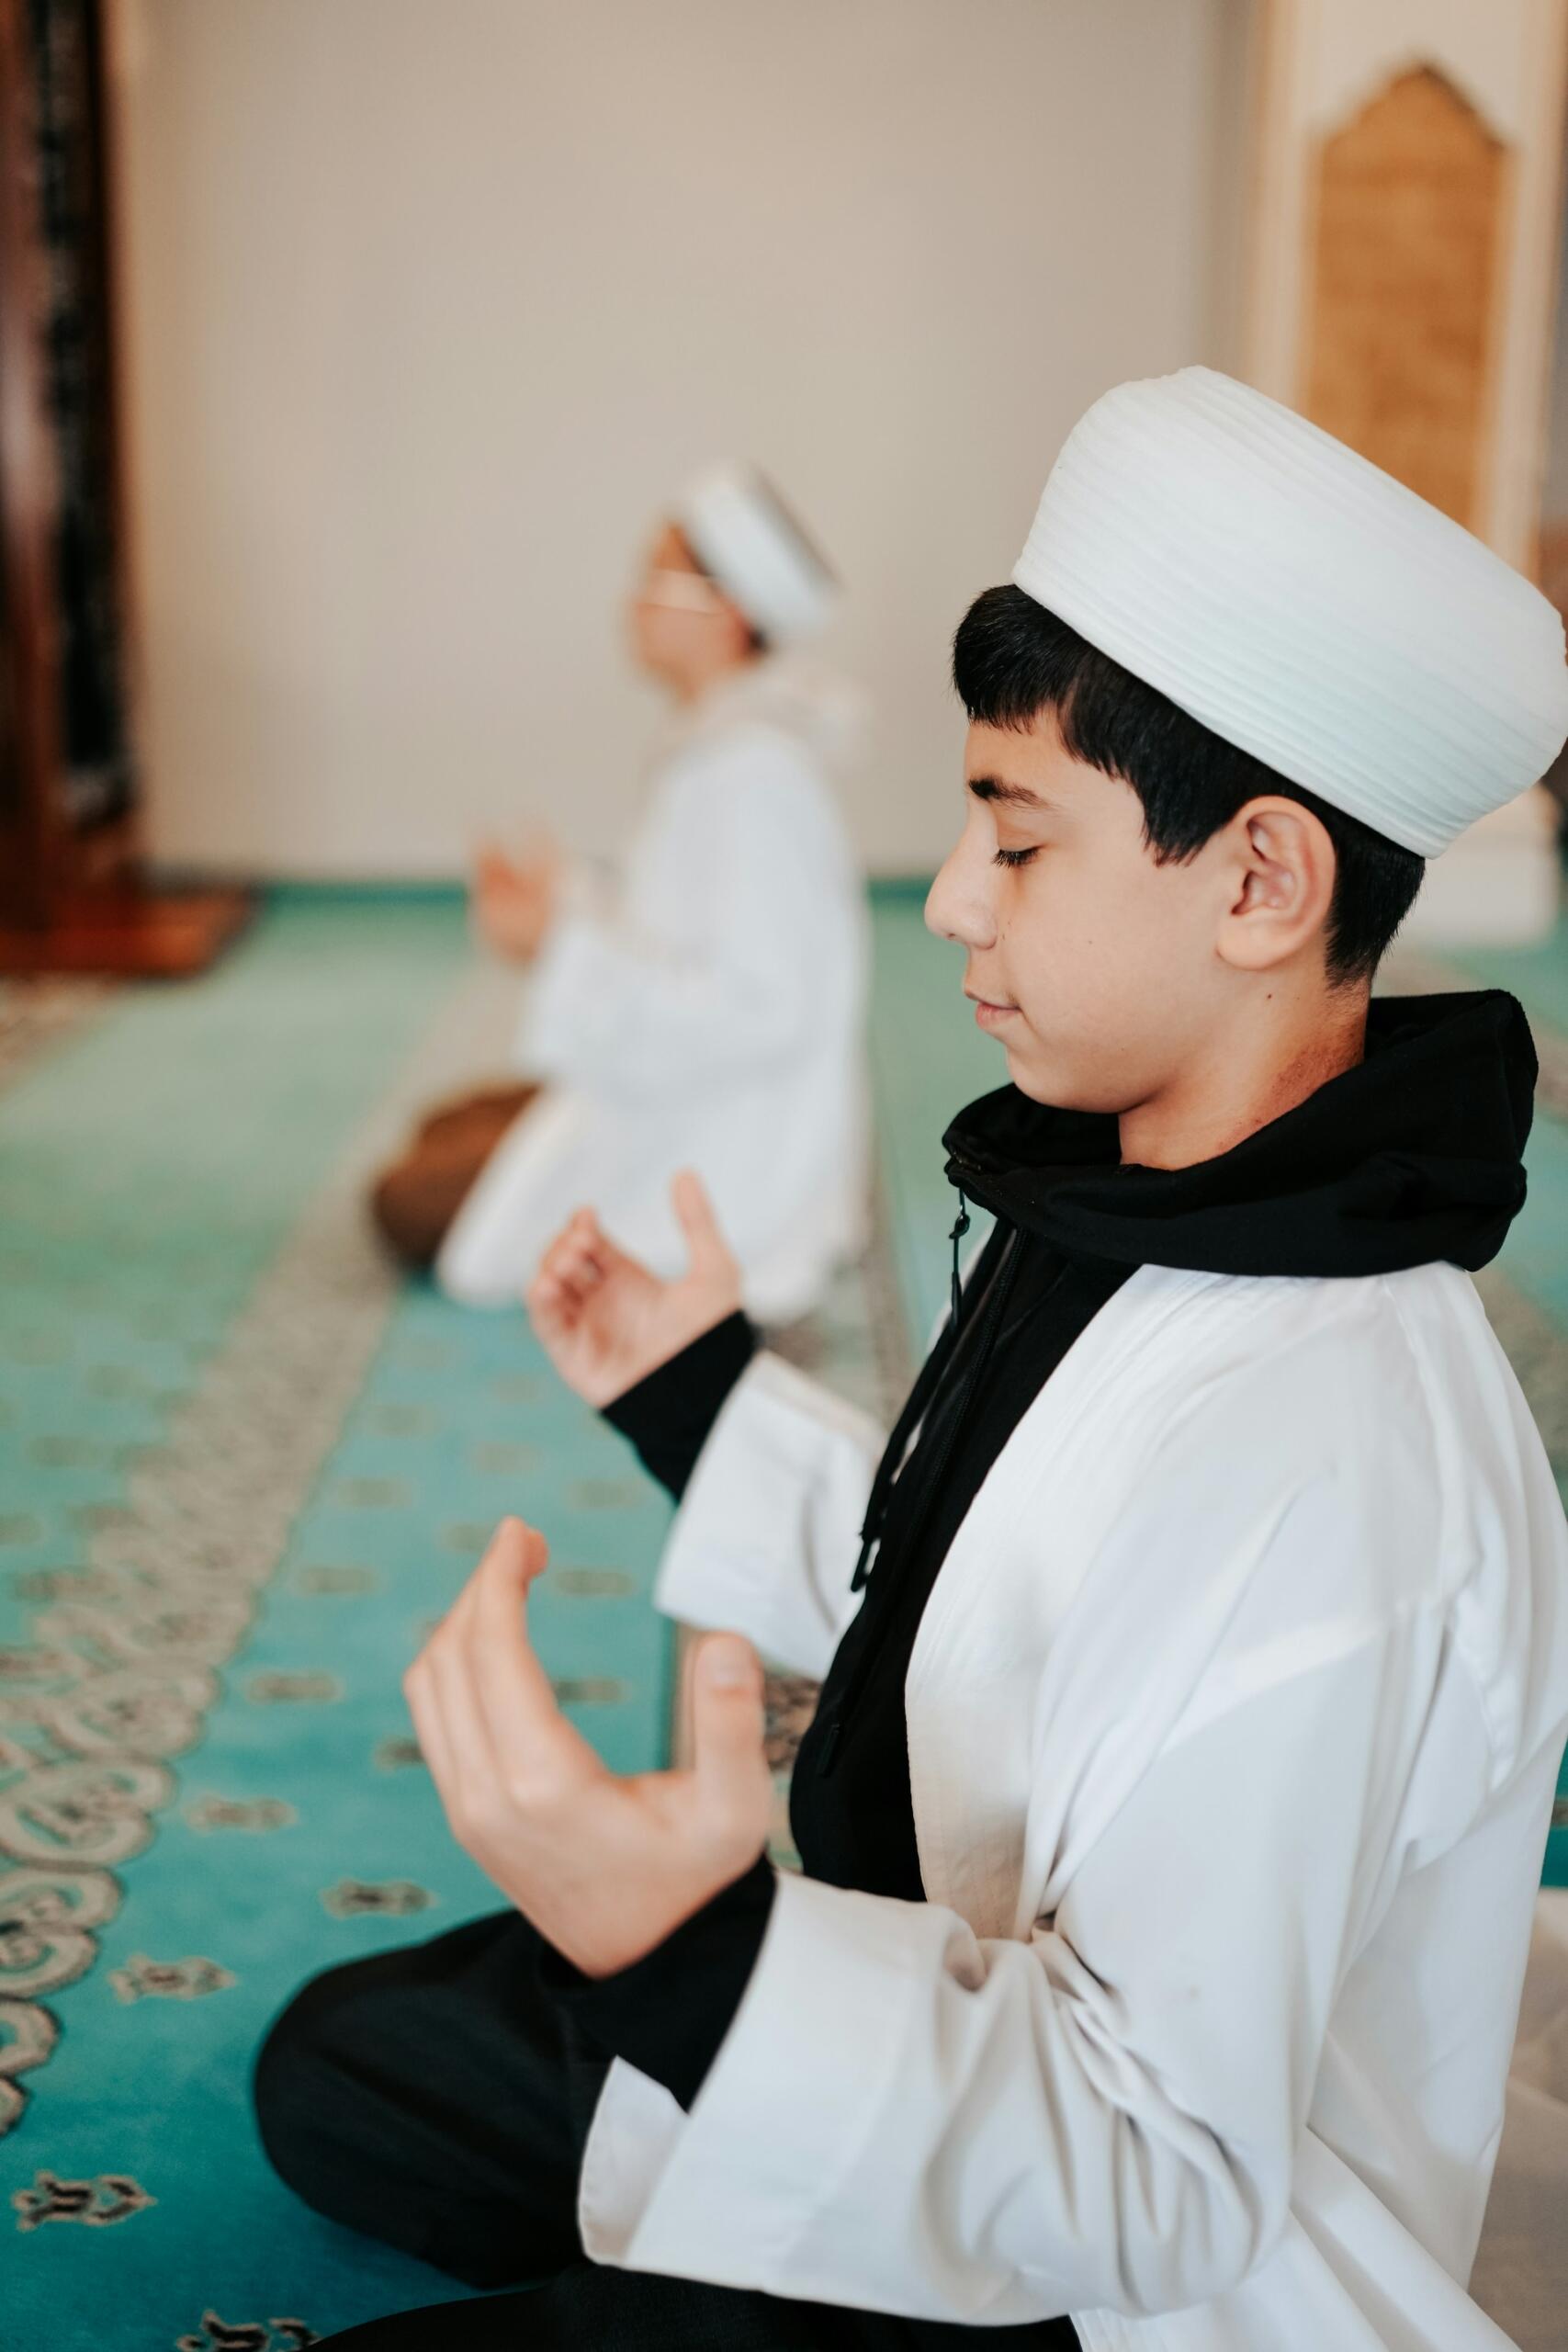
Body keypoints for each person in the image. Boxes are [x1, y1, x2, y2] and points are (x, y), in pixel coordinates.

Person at [258, 369, 1568, 2350]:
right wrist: (696, 1394)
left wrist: (696, 1968)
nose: (951, 900)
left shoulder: (1339, 1453)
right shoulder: (1151, 1185)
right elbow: (1003, 1589)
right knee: (346, 2060)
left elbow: (1161, 2183)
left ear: (1258, 879)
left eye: (1015, 838)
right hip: (934, 1987)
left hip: (1096, 2280)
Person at [368, 462, 869, 1327]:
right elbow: (672, 929)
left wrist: (554, 947)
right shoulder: (721, 746)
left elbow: (759, 1010)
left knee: (403, 1204)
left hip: (723, 1142)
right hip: (677, 1095)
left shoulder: (753, 775)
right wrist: (565, 900)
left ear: (730, 612)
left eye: (657, 579)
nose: (633, 601)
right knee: (442, 1125)